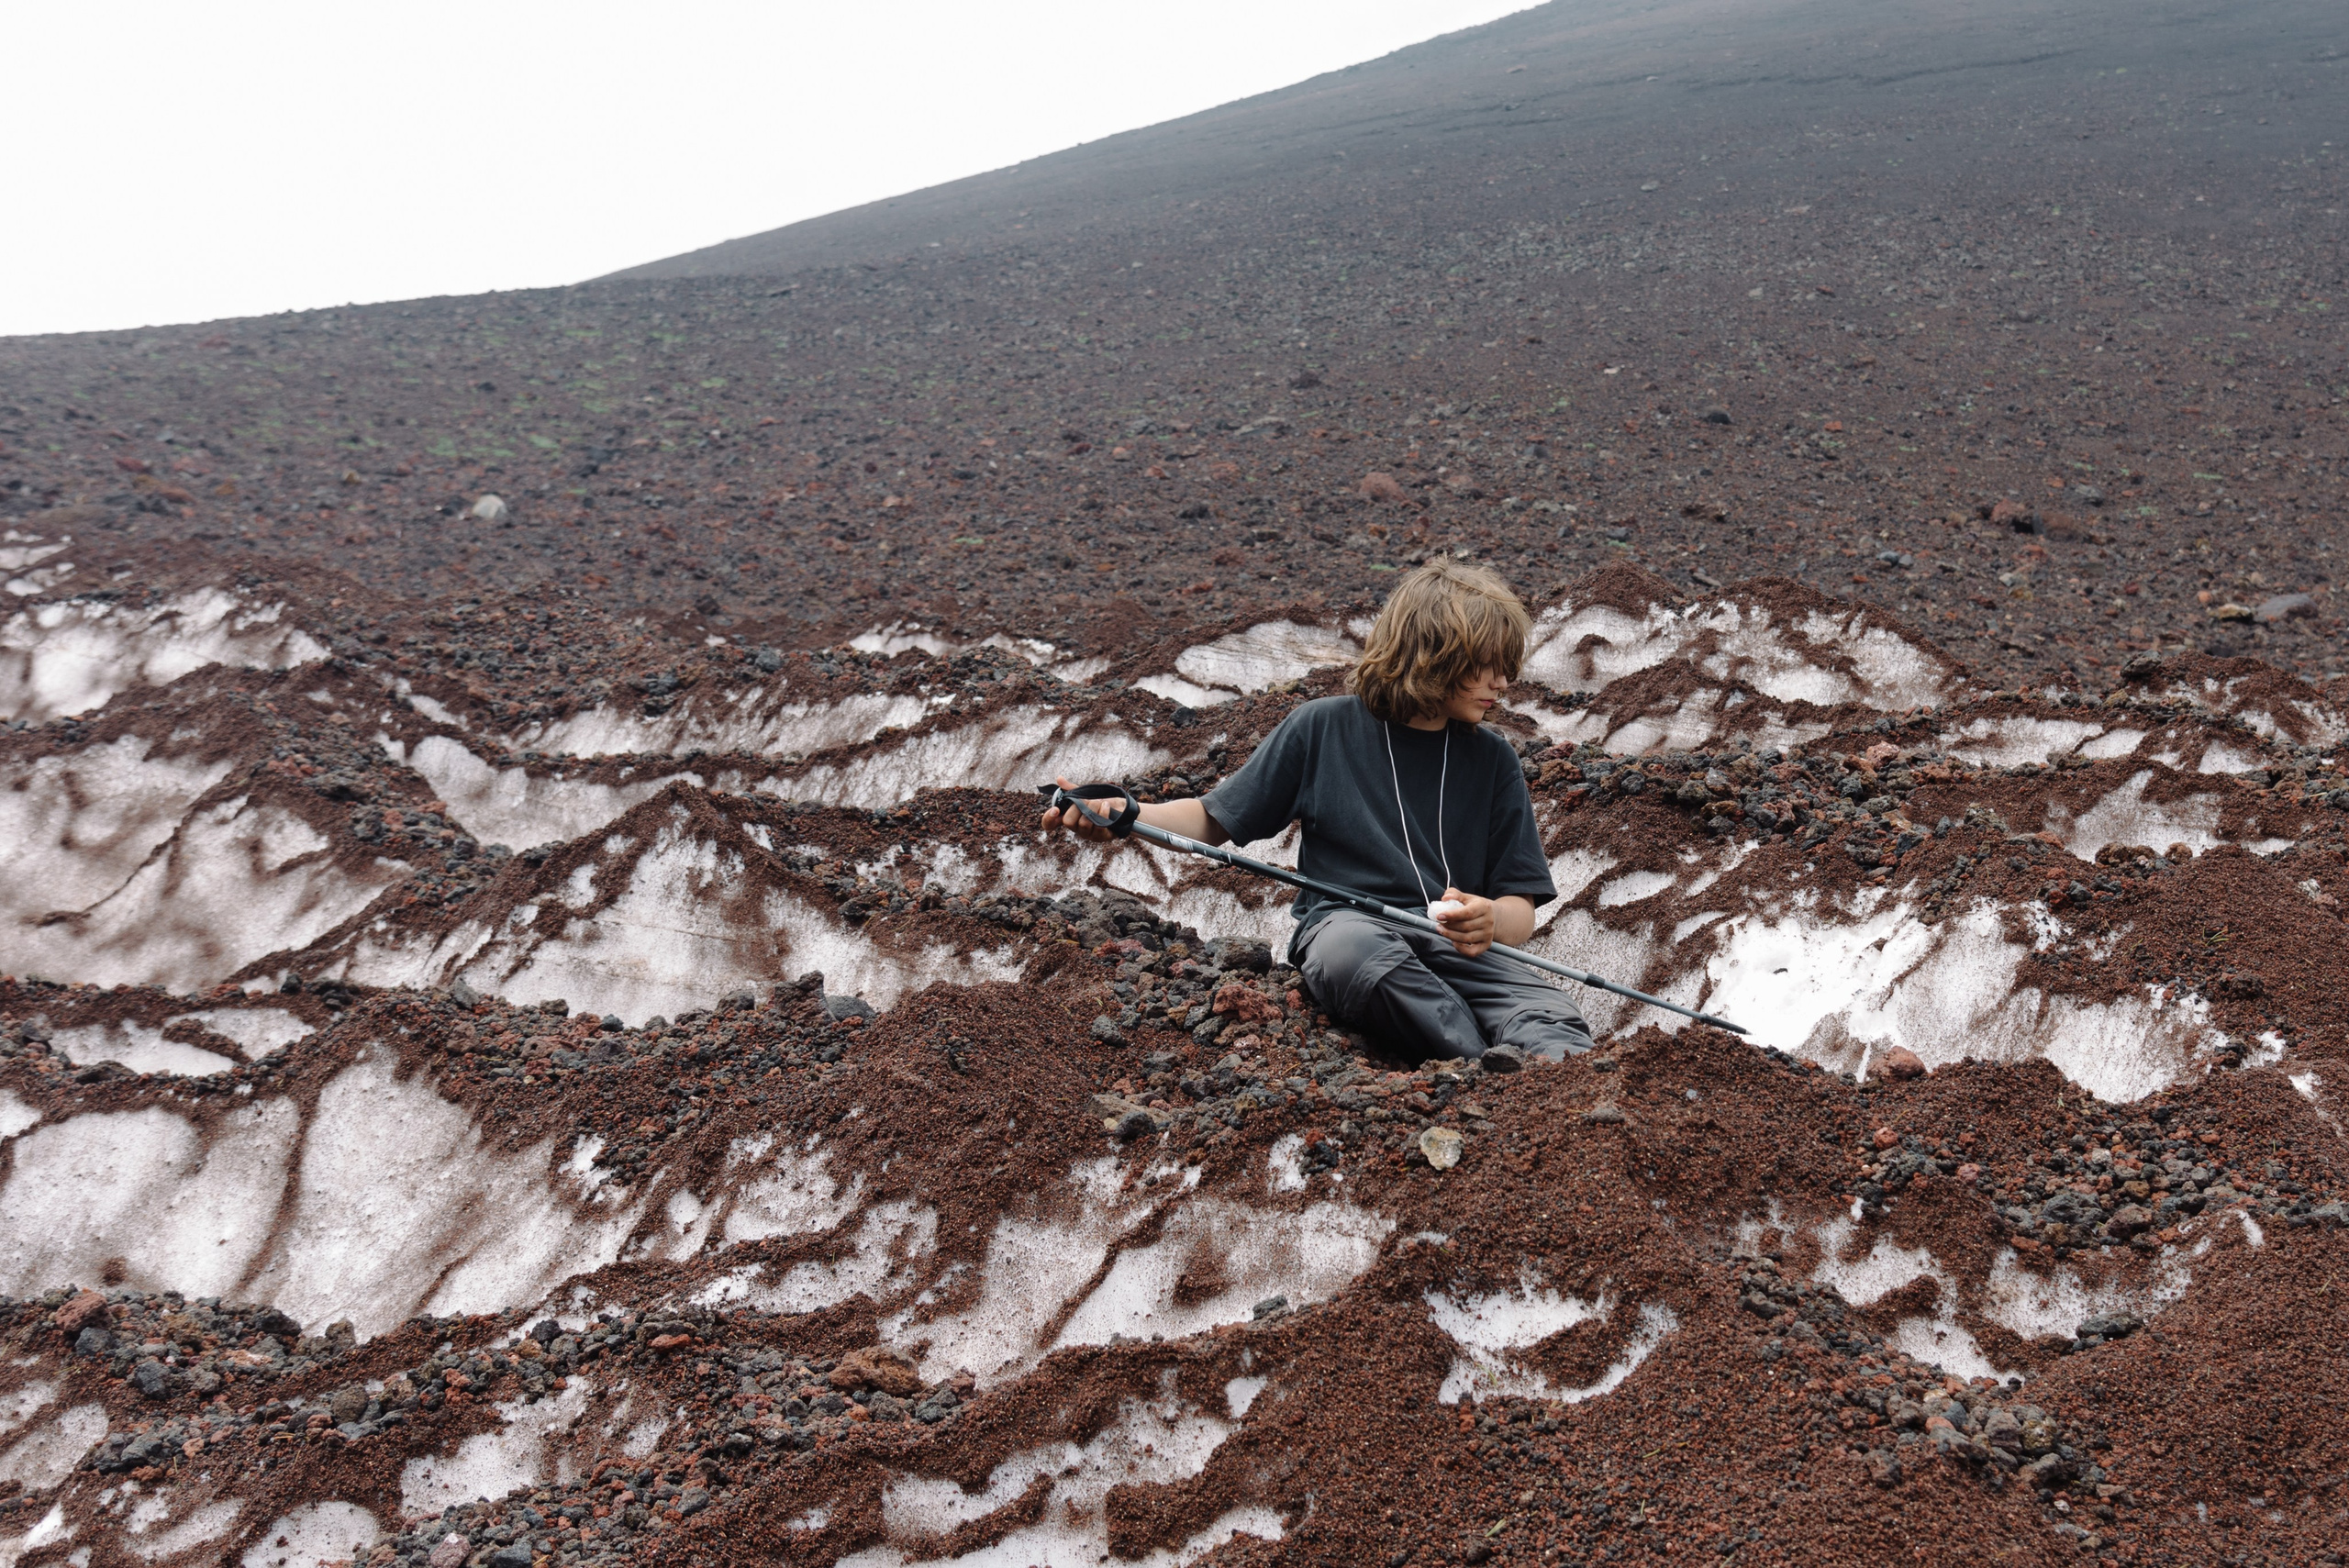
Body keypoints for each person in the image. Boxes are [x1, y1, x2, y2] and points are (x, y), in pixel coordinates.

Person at [1043, 559, 1594, 1070]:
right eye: (1486, 665)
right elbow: (1214, 819)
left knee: (1551, 1017)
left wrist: (1492, 921)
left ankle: (1532, 1078)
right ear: (1434, 652)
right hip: (1349, 930)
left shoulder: (1494, 759)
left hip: (1458, 949)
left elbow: (1521, 906)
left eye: (1507, 665)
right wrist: (1128, 813)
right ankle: (1477, 1070)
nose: (1504, 682)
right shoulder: (1322, 728)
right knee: (1355, 956)